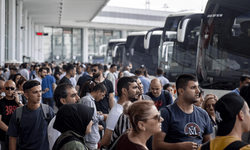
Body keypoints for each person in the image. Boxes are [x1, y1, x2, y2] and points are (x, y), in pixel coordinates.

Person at [153, 74, 213, 150]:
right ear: (181, 91)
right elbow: (156, 145)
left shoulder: (203, 114)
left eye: (197, 87)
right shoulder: (166, 113)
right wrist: (179, 147)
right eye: (193, 87)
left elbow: (208, 144)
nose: (198, 91)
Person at [7, 80, 54, 150]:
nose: (39, 95)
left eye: (40, 91)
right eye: (35, 92)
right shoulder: (18, 113)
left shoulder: (48, 111)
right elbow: (13, 138)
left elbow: (55, 134)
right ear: (26, 95)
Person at [100, 77, 140, 147]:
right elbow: (105, 142)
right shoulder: (116, 113)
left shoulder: (126, 109)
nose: (138, 90)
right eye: (134, 88)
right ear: (124, 90)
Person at [47, 83, 80, 150]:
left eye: (77, 94)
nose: (78, 98)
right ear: (63, 101)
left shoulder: (71, 119)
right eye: (73, 96)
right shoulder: (57, 124)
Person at [80, 82, 108, 149]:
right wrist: (102, 117)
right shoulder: (88, 100)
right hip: (90, 138)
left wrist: (97, 114)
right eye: (102, 95)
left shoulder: (90, 100)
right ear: (99, 92)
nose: (102, 98)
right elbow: (89, 120)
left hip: (92, 137)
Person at [0, 80, 23, 150]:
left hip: (20, 136)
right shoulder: (1, 103)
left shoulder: (19, 100)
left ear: (15, 89)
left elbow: (26, 113)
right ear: (3, 89)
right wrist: (11, 131)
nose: (9, 90)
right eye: (7, 88)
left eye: (12, 88)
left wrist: (18, 102)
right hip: (4, 136)